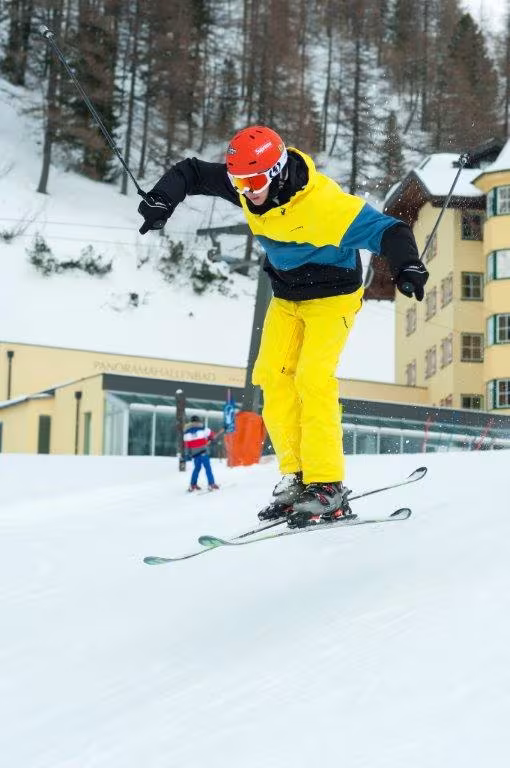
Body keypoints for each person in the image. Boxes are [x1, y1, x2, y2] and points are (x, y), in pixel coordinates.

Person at [138, 126, 428, 527]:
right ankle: (297, 477)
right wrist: (162, 199)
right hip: (288, 297)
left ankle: (327, 484)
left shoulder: (324, 205)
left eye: (254, 182)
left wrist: (408, 264)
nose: (246, 191)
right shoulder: (247, 186)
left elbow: (389, 230)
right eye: (239, 182)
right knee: (272, 376)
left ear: (276, 172)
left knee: (312, 378)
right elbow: (192, 172)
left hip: (333, 298)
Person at [183, 415, 219, 492]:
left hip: (194, 453)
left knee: (197, 468)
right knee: (207, 467)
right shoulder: (202, 428)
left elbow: (186, 445)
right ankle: (211, 484)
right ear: (198, 421)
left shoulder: (186, 432)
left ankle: (193, 485)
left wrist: (187, 454)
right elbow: (211, 434)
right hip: (203, 451)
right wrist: (211, 439)